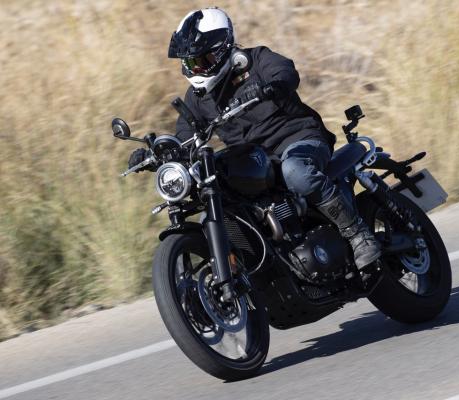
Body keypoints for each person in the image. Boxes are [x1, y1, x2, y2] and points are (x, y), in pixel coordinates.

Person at [128, 7, 380, 270]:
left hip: (299, 140)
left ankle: (357, 234)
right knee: (220, 206)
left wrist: (271, 86)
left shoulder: (257, 60)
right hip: (255, 158)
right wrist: (160, 153)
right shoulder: (197, 99)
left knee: (295, 171)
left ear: (223, 48)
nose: (195, 68)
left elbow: (286, 72)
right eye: (190, 63)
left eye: (202, 60)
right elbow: (184, 137)